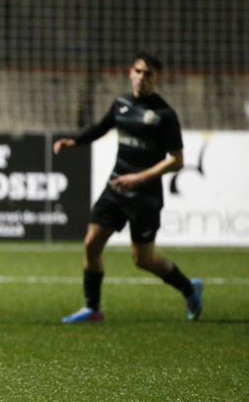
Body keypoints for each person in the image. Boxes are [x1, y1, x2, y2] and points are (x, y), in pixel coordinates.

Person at [53, 52, 203, 323]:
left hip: (145, 196)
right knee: (91, 244)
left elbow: (177, 161)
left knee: (143, 260)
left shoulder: (164, 115)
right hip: (115, 189)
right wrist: (73, 142)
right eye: (138, 71)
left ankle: (189, 288)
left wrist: (140, 178)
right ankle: (93, 308)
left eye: (148, 74)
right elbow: (101, 128)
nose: (142, 78)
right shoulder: (121, 104)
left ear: (157, 78)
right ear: (130, 72)